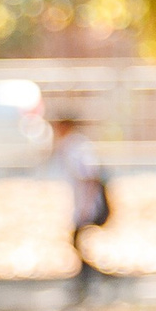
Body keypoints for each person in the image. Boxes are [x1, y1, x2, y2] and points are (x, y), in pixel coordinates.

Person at [50, 117, 110, 296]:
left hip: (88, 203)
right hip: (82, 202)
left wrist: (87, 206)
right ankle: (89, 277)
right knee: (77, 242)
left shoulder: (77, 147)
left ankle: (89, 279)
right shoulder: (69, 146)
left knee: (77, 240)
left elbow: (90, 177)